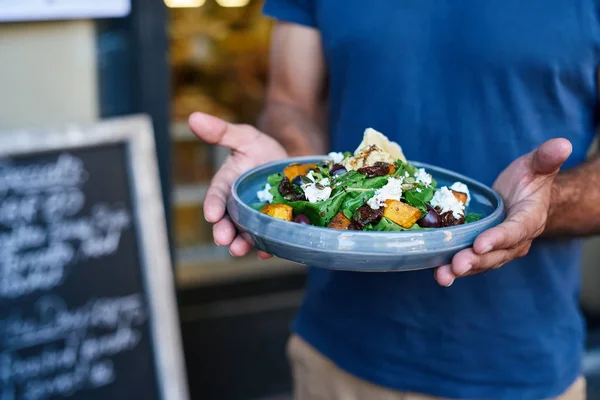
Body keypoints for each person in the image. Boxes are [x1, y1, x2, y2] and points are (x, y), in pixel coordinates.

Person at [189, 1, 599, 399]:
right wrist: (297, 175)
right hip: (335, 361)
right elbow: (289, 103)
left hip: (518, 371)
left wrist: (548, 201)